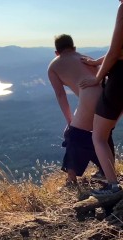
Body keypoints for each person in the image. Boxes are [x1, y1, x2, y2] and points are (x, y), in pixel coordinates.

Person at [47, 34, 115, 185]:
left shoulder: (53, 66)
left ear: (56, 52)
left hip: (90, 95)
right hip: (111, 92)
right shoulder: (86, 57)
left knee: (74, 135)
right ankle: (106, 171)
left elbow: (60, 95)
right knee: (104, 134)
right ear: (74, 48)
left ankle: (71, 180)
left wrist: (69, 120)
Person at [79, 1, 123, 196]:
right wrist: (96, 61)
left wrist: (97, 77)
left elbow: (115, 52)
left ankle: (113, 186)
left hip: (121, 80)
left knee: (98, 137)